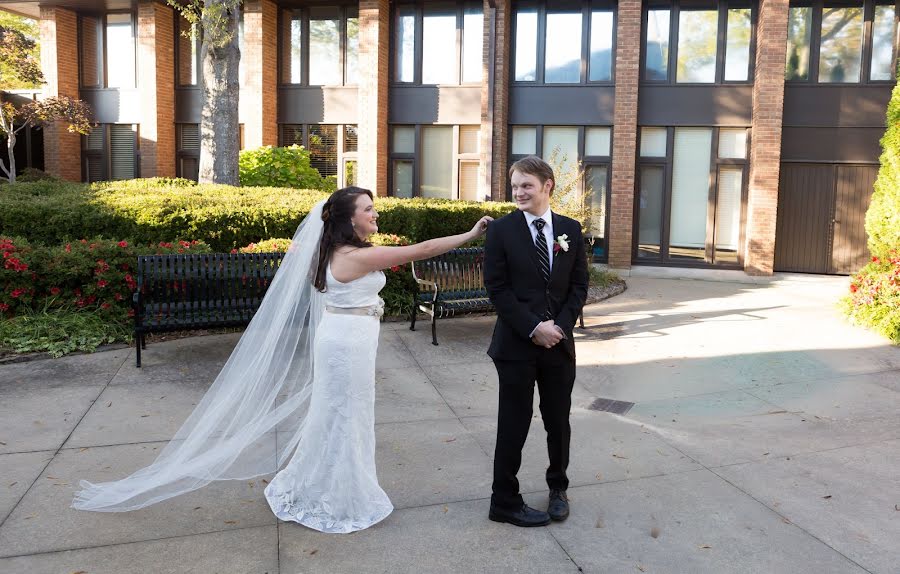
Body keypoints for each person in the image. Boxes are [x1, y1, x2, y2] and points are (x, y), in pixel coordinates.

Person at [73, 186, 491, 534]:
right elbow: (423, 249)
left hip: (347, 338)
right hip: (346, 343)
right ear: (348, 218)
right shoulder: (353, 257)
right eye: (368, 209)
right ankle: (339, 497)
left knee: (340, 414)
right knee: (344, 416)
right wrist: (470, 233)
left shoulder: (340, 250)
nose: (375, 213)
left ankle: (324, 485)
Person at [483, 156, 588, 527]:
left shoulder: (570, 231)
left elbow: (578, 286)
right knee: (513, 422)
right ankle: (503, 500)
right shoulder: (501, 231)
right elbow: (497, 289)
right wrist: (533, 327)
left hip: (558, 344)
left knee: (558, 420)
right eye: (514, 186)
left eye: (526, 185)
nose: (518, 192)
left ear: (547, 186)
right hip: (515, 346)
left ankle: (558, 488)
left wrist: (558, 326)